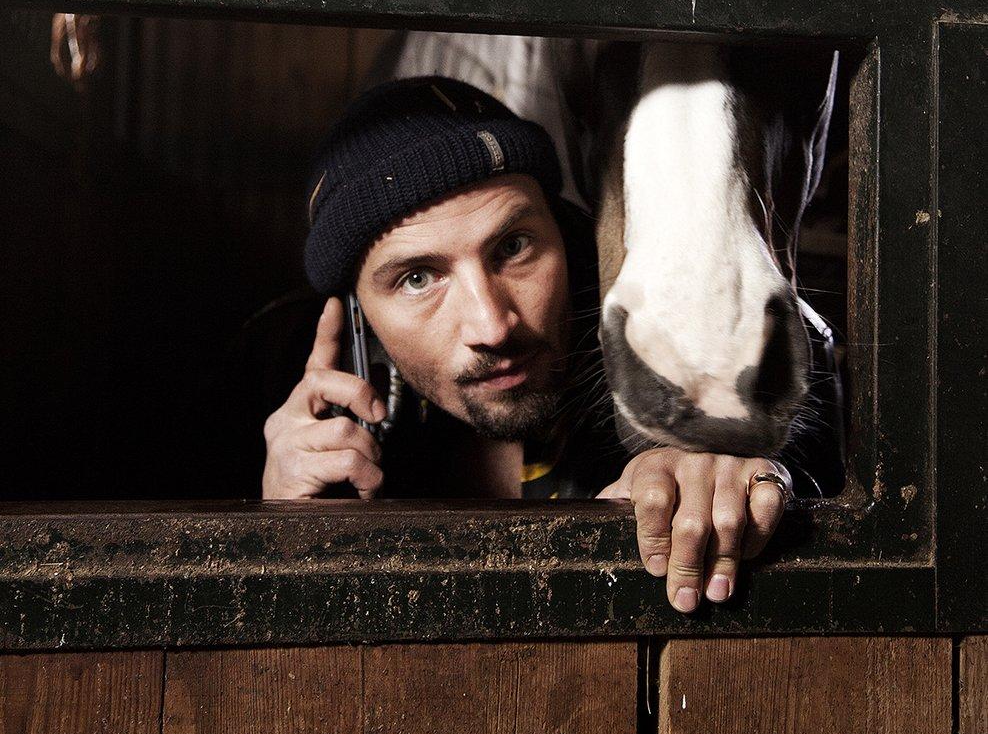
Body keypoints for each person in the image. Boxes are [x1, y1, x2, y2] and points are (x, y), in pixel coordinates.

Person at [250, 77, 842, 614]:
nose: (493, 326)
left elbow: (822, 490)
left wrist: (736, 470)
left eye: (513, 247)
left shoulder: (707, 340)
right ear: (357, 314)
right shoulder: (290, 385)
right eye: (418, 278)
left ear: (562, 228)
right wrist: (278, 533)